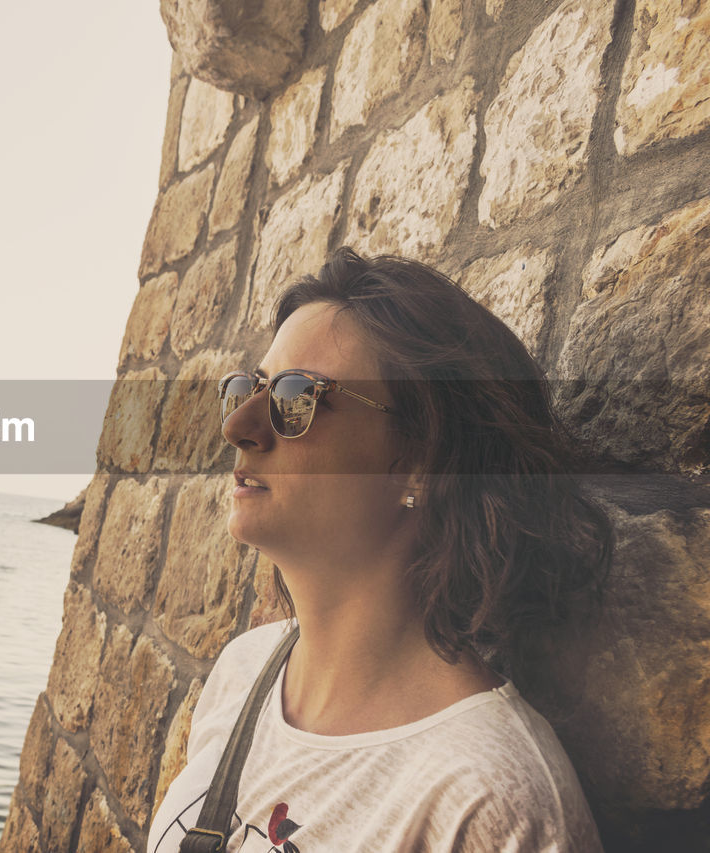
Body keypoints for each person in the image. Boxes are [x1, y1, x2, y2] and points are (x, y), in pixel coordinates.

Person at [148, 248, 612, 852]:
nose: (239, 425)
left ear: (421, 462)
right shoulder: (243, 673)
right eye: (248, 388)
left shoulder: (489, 796)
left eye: (297, 397)